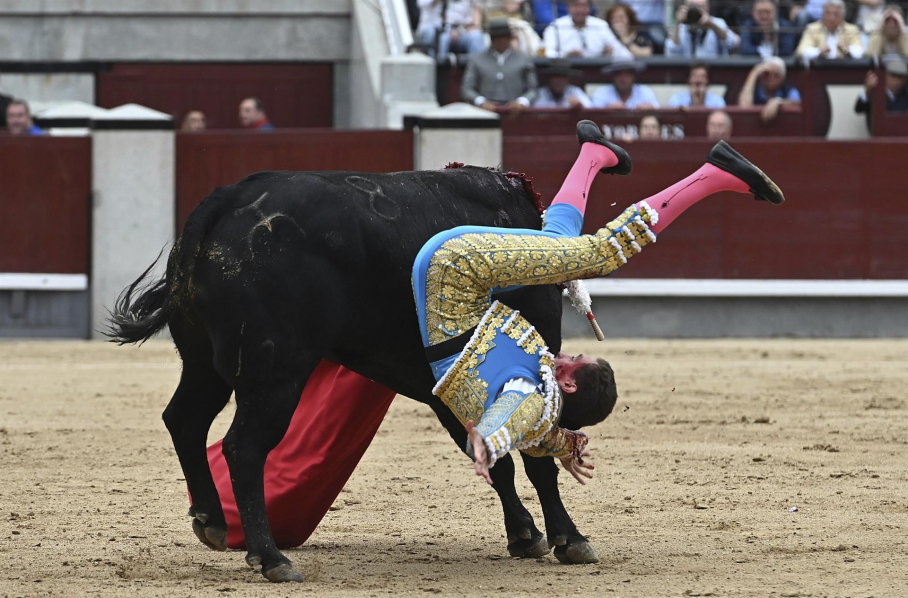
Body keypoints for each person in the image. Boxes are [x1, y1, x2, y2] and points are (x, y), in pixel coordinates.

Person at [410, 120, 784, 483]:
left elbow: (513, 416)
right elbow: (542, 438)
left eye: (573, 360)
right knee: (556, 240)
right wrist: (567, 447)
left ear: (569, 384)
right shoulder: (544, 422)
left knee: (602, 253)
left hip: (456, 270)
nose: (564, 356)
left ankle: (713, 175)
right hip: (453, 289)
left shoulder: (531, 398)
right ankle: (593, 155)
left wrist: (487, 442)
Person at [461, 19, 538, 113]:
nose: (501, 41)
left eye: (504, 37)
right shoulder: (476, 59)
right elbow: (467, 89)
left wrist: (521, 102)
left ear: (510, 38)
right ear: (492, 39)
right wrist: (481, 102)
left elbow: (532, 89)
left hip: (515, 113)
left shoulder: (524, 59)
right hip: (484, 113)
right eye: (496, 38)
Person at [543, 0, 634, 59]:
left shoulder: (600, 25)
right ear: (568, 8)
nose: (580, 10)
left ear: (590, 8)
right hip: (564, 72)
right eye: (576, 5)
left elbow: (625, 55)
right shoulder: (555, 26)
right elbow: (546, 54)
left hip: (595, 73)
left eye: (584, 6)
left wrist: (611, 54)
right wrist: (565, 56)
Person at [665, 0, 740, 58]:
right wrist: (678, 23)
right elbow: (671, 51)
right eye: (694, 6)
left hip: (714, 70)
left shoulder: (717, 22)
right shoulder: (680, 27)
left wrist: (712, 25)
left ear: (708, 8)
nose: (698, 10)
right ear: (686, 8)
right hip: (687, 72)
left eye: (702, 7)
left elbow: (733, 43)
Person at [738, 57, 802, 122]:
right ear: (761, 76)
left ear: (782, 78)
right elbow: (743, 107)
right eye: (767, 74)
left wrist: (779, 102)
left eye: (776, 75)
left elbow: (798, 103)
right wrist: (753, 74)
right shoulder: (755, 91)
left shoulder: (789, 90)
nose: (771, 78)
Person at [795, 0, 864, 59]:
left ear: (842, 16)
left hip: (844, 70)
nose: (831, 18)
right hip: (820, 70)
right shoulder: (812, 28)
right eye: (827, 13)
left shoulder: (852, 30)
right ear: (822, 14)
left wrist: (846, 51)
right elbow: (801, 51)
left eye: (836, 14)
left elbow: (860, 52)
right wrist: (819, 52)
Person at [416, 0, 486, 58]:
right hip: (440, 30)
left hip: (461, 31)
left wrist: (459, 30)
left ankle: (479, 70)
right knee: (443, 39)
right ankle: (440, 70)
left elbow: (471, 20)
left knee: (477, 36)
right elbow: (424, 5)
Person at [855, 58, 908, 129]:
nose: (896, 81)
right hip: (878, 136)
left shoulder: (906, 93)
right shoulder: (876, 91)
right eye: (893, 76)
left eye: (900, 77)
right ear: (885, 76)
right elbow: (858, 109)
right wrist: (867, 91)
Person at [591, 61, 659, 110]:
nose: (623, 78)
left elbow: (658, 109)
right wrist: (607, 109)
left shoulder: (645, 91)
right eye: (618, 73)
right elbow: (593, 115)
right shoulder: (601, 93)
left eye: (627, 73)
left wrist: (650, 108)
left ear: (633, 76)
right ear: (613, 76)